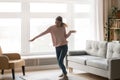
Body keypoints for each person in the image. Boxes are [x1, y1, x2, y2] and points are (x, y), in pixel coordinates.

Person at [29, 16, 76, 80]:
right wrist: (34, 38)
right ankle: (63, 72)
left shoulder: (63, 27)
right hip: (57, 47)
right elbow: (43, 33)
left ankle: (65, 76)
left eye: (58, 22)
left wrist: (70, 32)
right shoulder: (51, 28)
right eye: (55, 22)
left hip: (64, 46)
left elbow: (65, 37)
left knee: (60, 61)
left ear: (60, 22)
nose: (56, 23)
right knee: (59, 61)